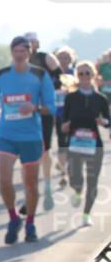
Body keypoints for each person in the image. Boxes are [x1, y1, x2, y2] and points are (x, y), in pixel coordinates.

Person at [0, 36, 55, 244]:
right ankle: (13, 218)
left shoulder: (40, 75)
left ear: (29, 52)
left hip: (31, 137)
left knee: (30, 183)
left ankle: (30, 223)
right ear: (11, 52)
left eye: (23, 51)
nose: (20, 55)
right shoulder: (1, 75)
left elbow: (51, 107)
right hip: (7, 135)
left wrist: (34, 107)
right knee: (4, 179)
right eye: (16, 51)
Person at [62, 61, 110, 227]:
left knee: (93, 180)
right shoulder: (71, 97)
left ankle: (86, 214)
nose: (84, 77)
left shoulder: (100, 99)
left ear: (94, 75)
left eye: (87, 73)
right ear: (77, 76)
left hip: (94, 143)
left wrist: (104, 122)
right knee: (74, 176)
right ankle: (77, 190)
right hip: (75, 142)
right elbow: (63, 120)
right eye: (81, 74)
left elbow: (108, 120)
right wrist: (65, 126)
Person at [24, 32, 62, 211]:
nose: (29, 46)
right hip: (24, 112)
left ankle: (47, 187)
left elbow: (60, 78)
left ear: (37, 43)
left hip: (44, 111)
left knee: (44, 151)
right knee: (27, 152)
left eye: (32, 42)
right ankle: (30, 191)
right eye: (26, 42)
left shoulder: (46, 57)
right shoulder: (18, 63)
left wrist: (45, 90)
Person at [53, 46, 77, 189]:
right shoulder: (52, 74)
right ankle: (63, 173)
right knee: (62, 141)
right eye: (60, 57)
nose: (63, 60)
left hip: (73, 112)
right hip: (58, 112)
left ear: (71, 59)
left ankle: (66, 165)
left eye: (66, 57)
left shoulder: (74, 73)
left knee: (71, 141)